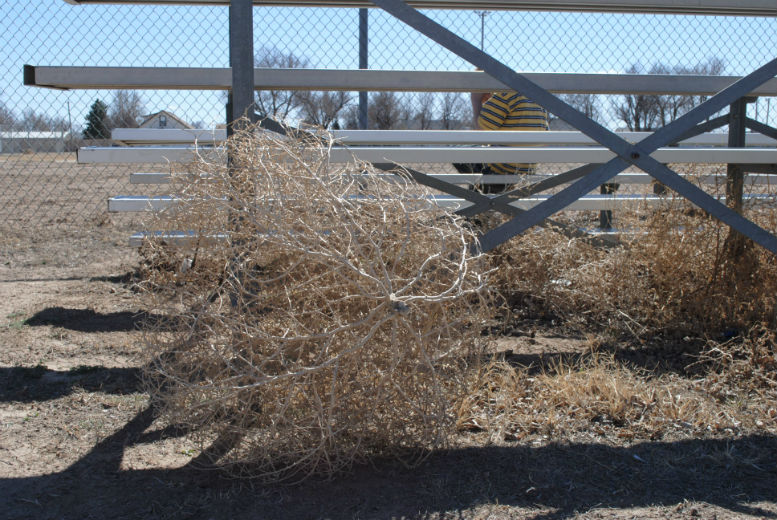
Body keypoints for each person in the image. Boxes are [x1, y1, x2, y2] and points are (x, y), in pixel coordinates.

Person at [454, 90, 549, 193]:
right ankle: (479, 199)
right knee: (478, 159)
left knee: (454, 149)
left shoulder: (505, 94)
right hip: (528, 176)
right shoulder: (537, 101)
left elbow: (481, 131)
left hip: (498, 177)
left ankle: (479, 201)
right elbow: (545, 141)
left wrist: (476, 100)